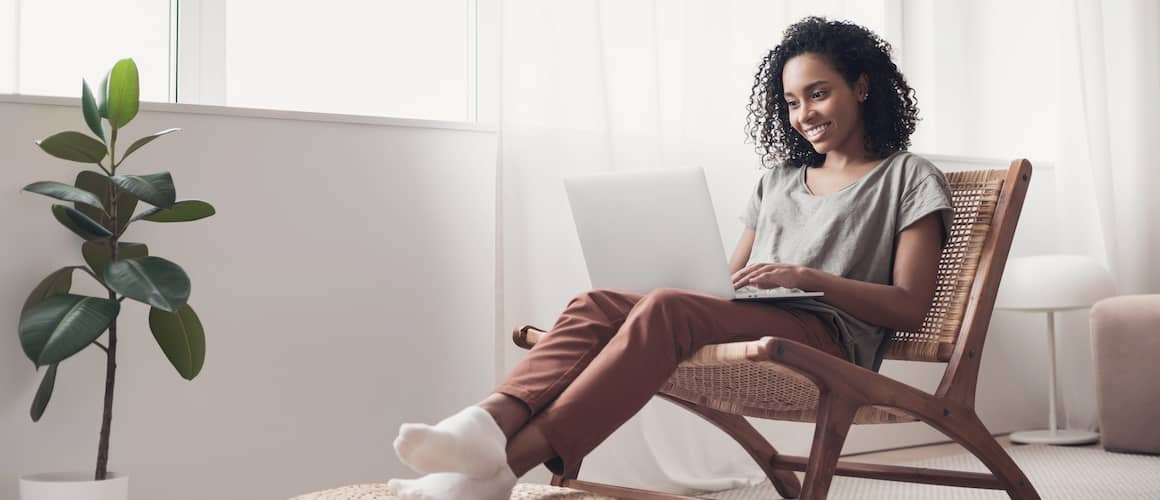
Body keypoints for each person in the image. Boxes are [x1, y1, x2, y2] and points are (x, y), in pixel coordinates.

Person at [386, 16, 953, 500]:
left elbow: (907, 306)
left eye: (819, 92)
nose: (804, 112)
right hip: (763, 317)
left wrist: (808, 278)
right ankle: (486, 424)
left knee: (666, 311)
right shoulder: (777, 181)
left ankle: (501, 471)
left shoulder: (907, 177)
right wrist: (695, 280)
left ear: (861, 86)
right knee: (597, 301)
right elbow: (729, 282)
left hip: (828, 341)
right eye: (791, 100)